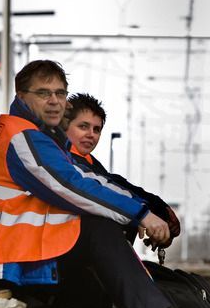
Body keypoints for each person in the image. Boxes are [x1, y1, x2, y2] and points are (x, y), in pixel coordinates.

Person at [0, 59, 210, 308]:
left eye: (60, 93)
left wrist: (143, 207)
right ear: (21, 97)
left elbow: (93, 180)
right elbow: (72, 185)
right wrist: (142, 214)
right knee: (96, 226)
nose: (55, 101)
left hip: (14, 251)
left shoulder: (39, 137)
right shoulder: (22, 137)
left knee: (96, 224)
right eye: (44, 93)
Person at [63, 92, 180, 245]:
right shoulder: (65, 160)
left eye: (96, 129)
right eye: (83, 126)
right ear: (65, 126)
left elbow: (113, 181)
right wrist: (149, 212)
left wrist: (157, 206)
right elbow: (103, 188)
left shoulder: (90, 161)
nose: (91, 135)